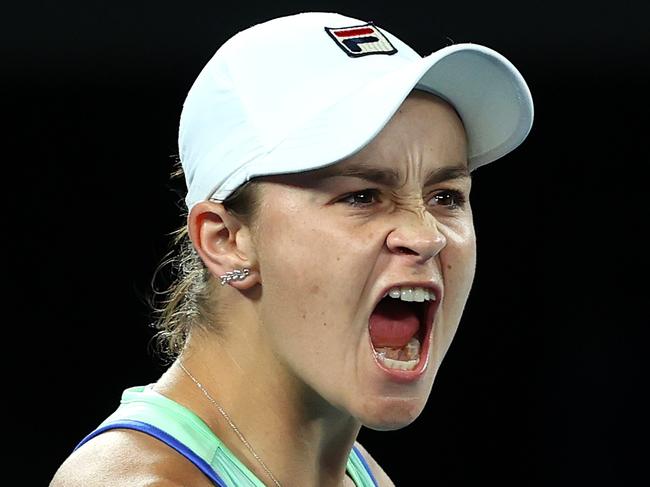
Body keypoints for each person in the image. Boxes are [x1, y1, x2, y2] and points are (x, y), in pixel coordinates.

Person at [51, 11, 533, 487]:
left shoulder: (358, 475)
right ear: (227, 240)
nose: (427, 236)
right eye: (361, 196)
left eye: (445, 196)